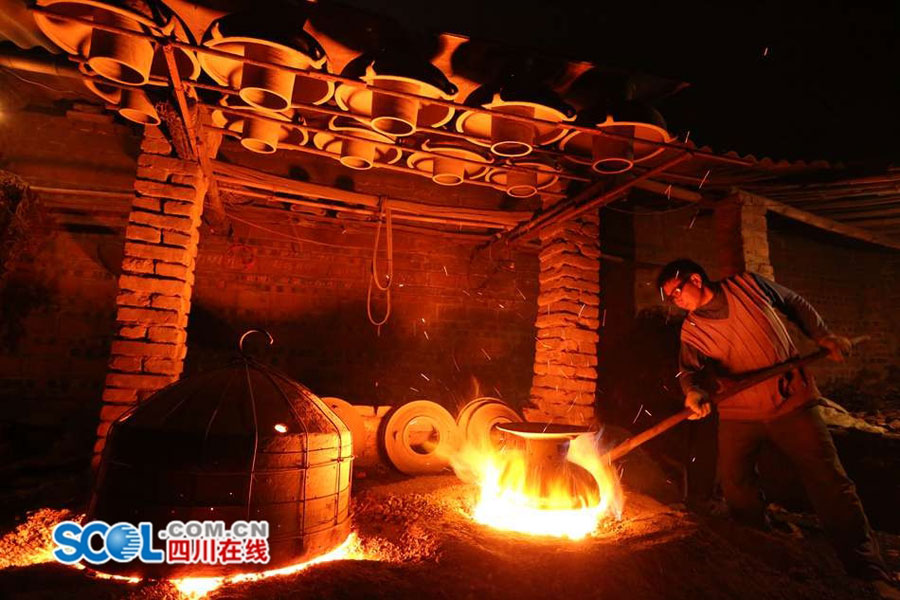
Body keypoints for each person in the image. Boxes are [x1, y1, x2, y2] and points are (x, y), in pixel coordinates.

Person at [657, 258, 895, 593]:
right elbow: (688, 371)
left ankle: (866, 566)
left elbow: (793, 302)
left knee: (828, 479)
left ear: (695, 279)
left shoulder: (748, 286)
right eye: (671, 298)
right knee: (736, 483)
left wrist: (823, 335)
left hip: (790, 399)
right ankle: (761, 548)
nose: (675, 301)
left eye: (677, 291)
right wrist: (692, 393)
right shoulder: (692, 329)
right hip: (739, 410)